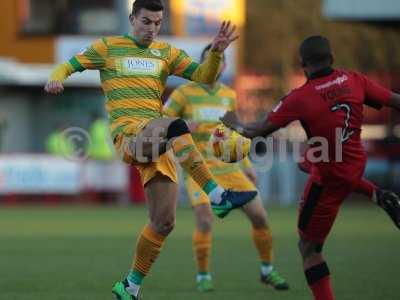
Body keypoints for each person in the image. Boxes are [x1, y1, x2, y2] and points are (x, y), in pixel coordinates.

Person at [44, 1, 257, 299]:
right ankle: (217, 194)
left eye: (157, 23)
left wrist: (218, 52)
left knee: (164, 222)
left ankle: (130, 286)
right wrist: (57, 77)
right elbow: (70, 63)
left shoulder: (166, 53)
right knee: (174, 124)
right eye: (146, 21)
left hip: (159, 141)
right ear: (132, 19)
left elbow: (205, 77)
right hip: (131, 135)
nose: (152, 29)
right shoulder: (108, 47)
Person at [221, 35, 400, 300]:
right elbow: (395, 100)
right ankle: (379, 195)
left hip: (331, 178)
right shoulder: (354, 79)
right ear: (332, 58)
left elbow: (258, 130)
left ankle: (377, 195)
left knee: (308, 248)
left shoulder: (300, 98)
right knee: (310, 156)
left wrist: (233, 124)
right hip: (353, 160)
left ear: (302, 63)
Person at [163, 44, 289, 292]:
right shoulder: (183, 93)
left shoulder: (229, 95)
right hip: (199, 168)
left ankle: (267, 270)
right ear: (201, 65)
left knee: (260, 217)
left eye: (219, 61)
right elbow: (162, 121)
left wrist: (247, 163)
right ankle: (203, 275)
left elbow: (233, 133)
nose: (215, 65)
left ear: (225, 66)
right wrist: (184, 124)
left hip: (230, 169)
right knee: (205, 220)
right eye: (210, 61)